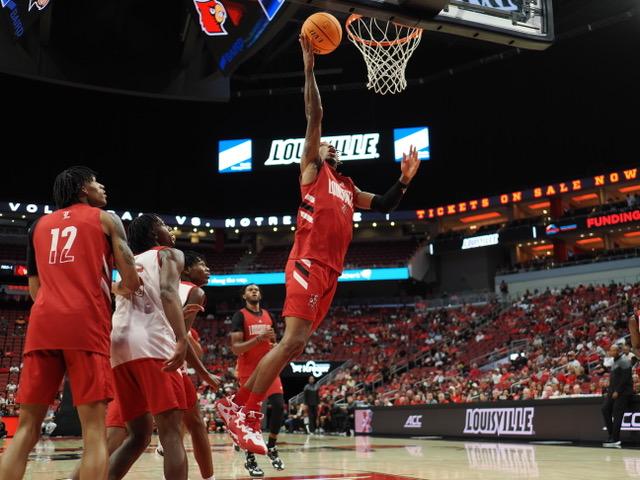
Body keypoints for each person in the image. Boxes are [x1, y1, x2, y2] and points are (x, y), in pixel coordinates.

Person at [217, 33, 421, 456]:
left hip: (331, 273)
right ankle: (242, 411)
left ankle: (240, 409)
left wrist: (403, 179)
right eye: (325, 142)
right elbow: (316, 115)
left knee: (294, 346)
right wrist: (309, 67)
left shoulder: (348, 185)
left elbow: (383, 204)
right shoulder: (313, 170)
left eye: (328, 144)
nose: (328, 143)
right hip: (307, 263)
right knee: (290, 343)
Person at [0, 166, 140, 480]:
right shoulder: (105, 218)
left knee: (26, 428)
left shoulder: (37, 225)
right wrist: (125, 287)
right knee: (93, 431)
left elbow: (35, 290)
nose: (102, 186)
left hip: (43, 324)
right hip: (85, 324)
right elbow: (129, 272)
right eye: (96, 182)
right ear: (82, 190)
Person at [107, 214, 191, 480]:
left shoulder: (128, 262)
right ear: (156, 235)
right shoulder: (170, 253)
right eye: (165, 227)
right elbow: (167, 291)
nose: (171, 231)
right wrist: (182, 338)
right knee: (171, 434)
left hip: (119, 348)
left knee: (138, 435)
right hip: (153, 344)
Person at [223, 284, 285, 476]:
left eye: (256, 289)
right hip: (249, 372)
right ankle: (250, 458)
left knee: (279, 405)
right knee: (251, 415)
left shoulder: (268, 315)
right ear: (244, 296)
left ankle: (272, 446)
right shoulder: (239, 316)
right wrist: (259, 339)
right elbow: (236, 348)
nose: (254, 291)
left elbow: (274, 341)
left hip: (268, 367)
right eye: (250, 290)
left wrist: (273, 344)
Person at [602, 343, 633, 448]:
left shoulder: (624, 361)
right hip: (613, 391)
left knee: (617, 414)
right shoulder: (614, 361)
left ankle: (615, 439)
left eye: (613, 350)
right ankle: (611, 435)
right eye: (610, 350)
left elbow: (626, 378)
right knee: (605, 409)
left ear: (618, 351)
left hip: (623, 393)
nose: (611, 352)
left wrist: (618, 391)